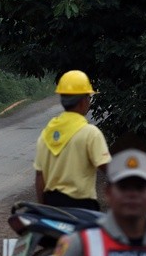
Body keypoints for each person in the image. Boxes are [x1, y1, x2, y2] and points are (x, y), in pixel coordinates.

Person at [34, 70, 111, 210]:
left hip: (53, 208)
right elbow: (108, 169)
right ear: (83, 101)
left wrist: (44, 209)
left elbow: (40, 176)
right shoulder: (90, 133)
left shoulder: (46, 134)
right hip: (83, 208)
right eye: (89, 97)